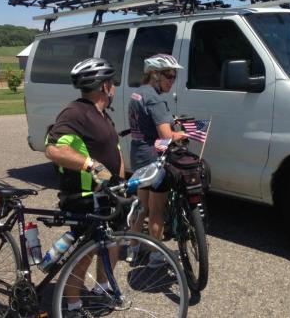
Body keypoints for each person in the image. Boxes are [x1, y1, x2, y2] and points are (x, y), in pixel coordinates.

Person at [45, 57, 124, 316]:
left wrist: (121, 183)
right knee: (85, 253)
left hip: (107, 194)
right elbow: (55, 149)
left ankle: (102, 289)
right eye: (111, 82)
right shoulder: (76, 112)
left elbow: (114, 150)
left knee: (111, 243)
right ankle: (73, 304)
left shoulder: (102, 114)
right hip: (84, 195)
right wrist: (91, 165)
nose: (113, 87)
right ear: (103, 86)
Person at [127, 54, 186, 266]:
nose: (172, 80)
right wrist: (182, 134)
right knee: (157, 208)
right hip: (154, 160)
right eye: (169, 76)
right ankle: (155, 254)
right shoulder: (155, 98)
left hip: (138, 156)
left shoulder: (138, 94)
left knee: (141, 205)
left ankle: (132, 248)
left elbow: (148, 122)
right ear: (154, 74)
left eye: (174, 76)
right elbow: (166, 136)